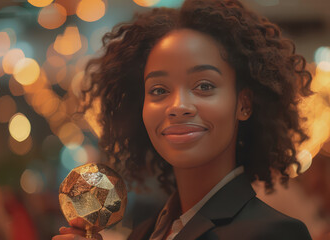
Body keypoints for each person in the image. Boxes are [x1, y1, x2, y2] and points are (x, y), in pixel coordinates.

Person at [53, 0, 314, 239]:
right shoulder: (144, 232)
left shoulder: (274, 233)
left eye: (203, 85)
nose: (178, 106)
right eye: (159, 90)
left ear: (243, 104)